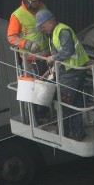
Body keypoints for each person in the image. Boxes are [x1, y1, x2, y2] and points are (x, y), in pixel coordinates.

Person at [36, 8, 90, 141]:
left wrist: (53, 59)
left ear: (49, 22)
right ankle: (77, 133)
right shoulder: (55, 33)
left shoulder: (62, 31)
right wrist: (55, 66)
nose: (43, 29)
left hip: (73, 71)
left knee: (64, 102)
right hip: (72, 70)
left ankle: (64, 133)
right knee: (75, 103)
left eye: (43, 26)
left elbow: (67, 51)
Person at [7, 0, 50, 75]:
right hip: (30, 59)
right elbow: (11, 37)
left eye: (39, 0)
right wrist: (28, 44)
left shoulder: (43, 7)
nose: (38, 3)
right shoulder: (17, 15)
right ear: (27, 0)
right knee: (33, 85)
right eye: (35, 1)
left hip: (47, 56)